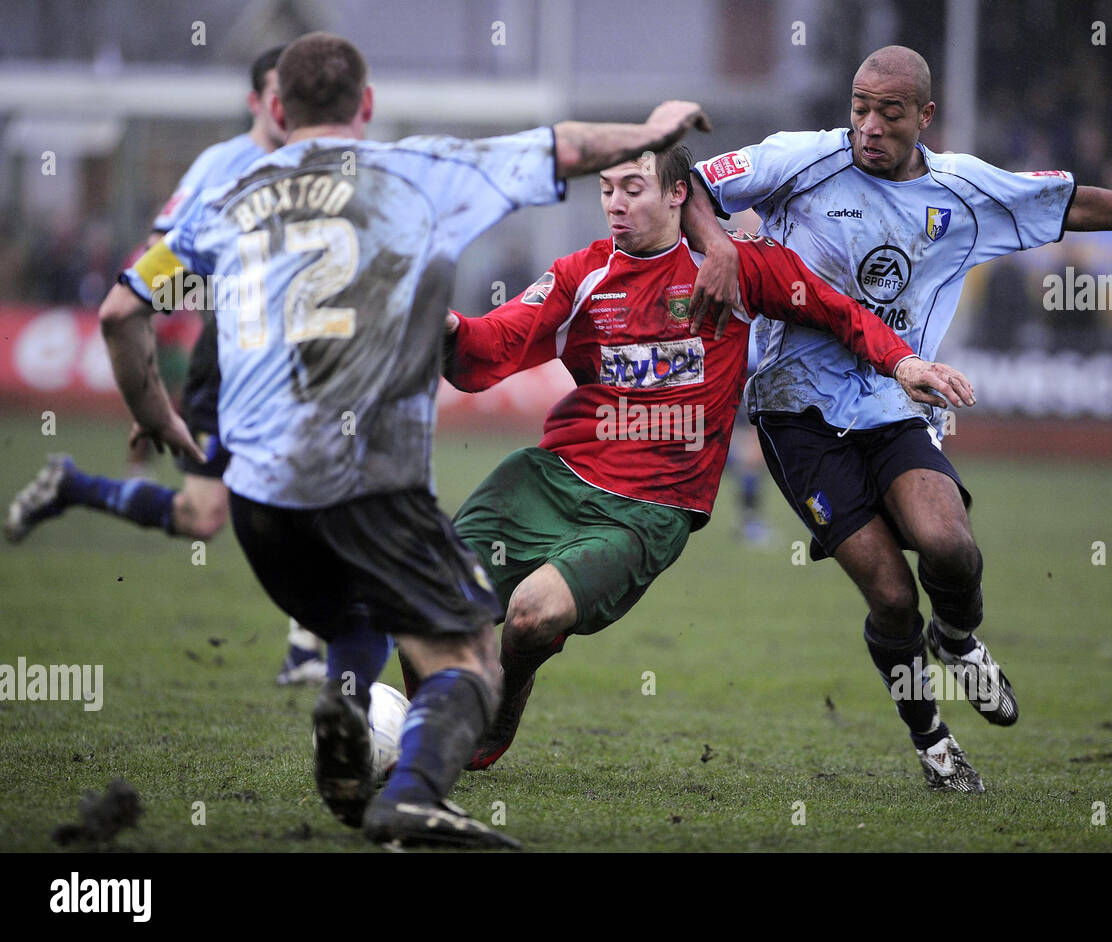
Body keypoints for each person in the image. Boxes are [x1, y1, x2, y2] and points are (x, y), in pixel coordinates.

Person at [98, 32, 714, 849]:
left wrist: (158, 411)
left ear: (276, 109)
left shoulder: (229, 192)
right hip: (365, 478)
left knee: (363, 618)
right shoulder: (410, 170)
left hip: (258, 496)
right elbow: (564, 147)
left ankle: (349, 709)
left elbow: (120, 312)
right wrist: (649, 128)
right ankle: (414, 793)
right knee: (465, 653)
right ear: (369, 107)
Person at [682, 45, 1112, 792]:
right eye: (859, 108)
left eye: (889, 114)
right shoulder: (799, 160)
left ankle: (957, 640)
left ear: (924, 117)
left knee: (949, 547)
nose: (868, 126)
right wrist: (719, 246)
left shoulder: (964, 190)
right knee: (891, 595)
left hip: (898, 401)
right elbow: (692, 181)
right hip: (794, 410)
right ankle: (932, 742)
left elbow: (1068, 203)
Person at [429, 144, 974, 771]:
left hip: (648, 508)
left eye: (632, 187)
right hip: (551, 478)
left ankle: (503, 694)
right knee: (429, 601)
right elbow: (491, 347)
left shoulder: (736, 270)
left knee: (528, 617)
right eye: (607, 188)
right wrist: (448, 330)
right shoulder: (582, 276)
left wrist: (901, 361)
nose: (614, 203)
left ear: (676, 194)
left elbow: (836, 310)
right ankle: (423, 747)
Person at [3, 46, 329, 687]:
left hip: (302, 354)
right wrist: (147, 393)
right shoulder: (223, 165)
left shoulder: (323, 162)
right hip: (229, 353)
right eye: (276, 90)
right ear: (256, 101)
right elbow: (155, 264)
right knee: (200, 517)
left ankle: (307, 648)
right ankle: (73, 486)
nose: (289, 103)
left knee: (316, 477)